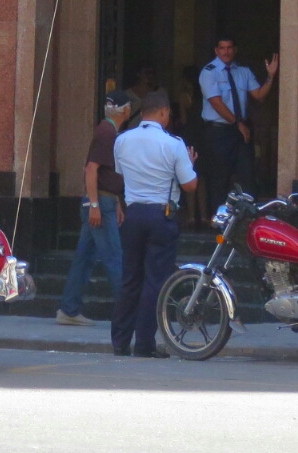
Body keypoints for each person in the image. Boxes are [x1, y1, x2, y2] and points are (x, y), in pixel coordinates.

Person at [110, 90, 197, 358]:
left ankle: (120, 341)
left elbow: (121, 174)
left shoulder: (122, 140)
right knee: (155, 281)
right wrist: (190, 164)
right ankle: (144, 343)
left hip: (133, 214)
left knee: (130, 279)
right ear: (162, 112)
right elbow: (190, 185)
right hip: (161, 215)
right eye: (168, 113)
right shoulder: (174, 144)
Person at [56, 91, 138, 327]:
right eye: (129, 106)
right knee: (114, 257)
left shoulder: (108, 131)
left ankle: (69, 309)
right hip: (100, 203)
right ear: (125, 110)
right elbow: (91, 169)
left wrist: (116, 202)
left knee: (84, 259)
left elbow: (104, 173)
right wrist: (94, 205)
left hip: (104, 201)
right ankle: (129, 314)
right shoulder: (107, 132)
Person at [198, 38, 277, 209]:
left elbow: (259, 95)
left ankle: (248, 218)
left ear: (235, 49)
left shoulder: (243, 71)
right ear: (216, 51)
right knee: (219, 178)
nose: (226, 52)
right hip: (219, 132)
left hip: (240, 132)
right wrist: (238, 124)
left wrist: (270, 76)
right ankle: (218, 218)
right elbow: (216, 103)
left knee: (247, 176)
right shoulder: (209, 72)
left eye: (229, 48)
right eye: (222, 48)